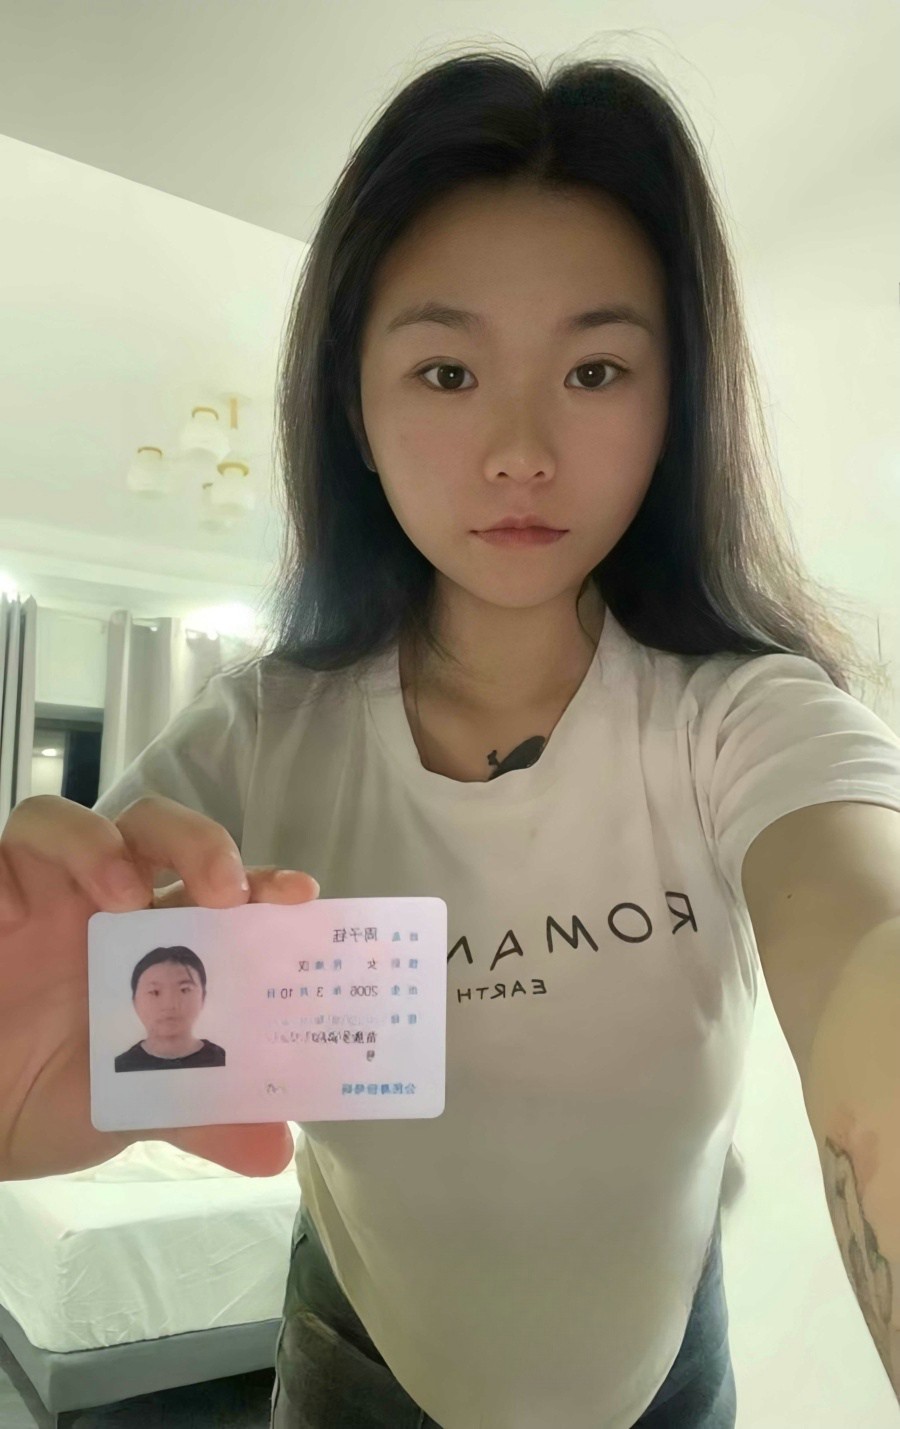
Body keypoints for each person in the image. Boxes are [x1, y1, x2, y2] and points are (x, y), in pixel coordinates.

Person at [1, 47, 899, 1429]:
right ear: (354, 411)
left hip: (668, 1375)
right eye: (446, 370)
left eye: (595, 368)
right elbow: (65, 979)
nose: (521, 450)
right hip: (358, 1362)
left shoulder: (744, 716)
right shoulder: (255, 731)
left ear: (675, 407)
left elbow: (858, 936)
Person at [115, 946, 227, 1071]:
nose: (169, 1005)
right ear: (135, 1001)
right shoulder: (122, 1065)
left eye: (184, 990)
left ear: (203, 997)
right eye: (155, 992)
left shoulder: (221, 1059)